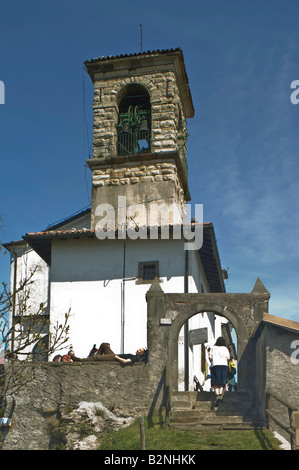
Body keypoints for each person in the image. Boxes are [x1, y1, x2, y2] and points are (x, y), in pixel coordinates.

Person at [70, 343, 148, 364]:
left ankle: (79, 360)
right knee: (104, 345)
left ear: (141, 354)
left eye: (140, 350)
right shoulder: (135, 356)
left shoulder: (135, 358)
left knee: (96, 358)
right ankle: (95, 359)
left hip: (114, 358)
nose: (138, 350)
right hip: (115, 355)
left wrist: (117, 358)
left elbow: (125, 361)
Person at [208, 337, 230, 407]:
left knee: (215, 381)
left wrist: (212, 361)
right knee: (221, 381)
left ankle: (217, 395)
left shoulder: (213, 348)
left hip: (215, 365)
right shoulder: (225, 348)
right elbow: (228, 357)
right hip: (223, 365)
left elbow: (210, 357)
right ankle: (220, 395)